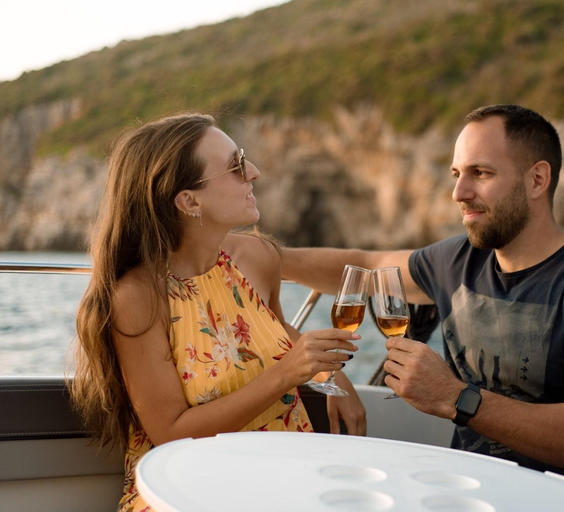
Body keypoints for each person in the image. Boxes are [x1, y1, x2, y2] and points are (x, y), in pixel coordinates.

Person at [282, 104, 564, 504]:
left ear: (537, 179)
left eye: (480, 173)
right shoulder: (458, 261)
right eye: (456, 174)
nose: (459, 193)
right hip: (468, 495)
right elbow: (368, 264)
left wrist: (456, 398)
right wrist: (266, 255)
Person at [70, 112, 366, 512]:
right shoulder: (137, 297)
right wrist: (285, 374)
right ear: (189, 201)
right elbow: (171, 434)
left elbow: (276, 334)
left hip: (286, 483)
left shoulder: (258, 258)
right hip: (188, 494)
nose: (255, 173)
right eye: (236, 167)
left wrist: (333, 378)